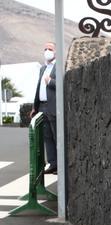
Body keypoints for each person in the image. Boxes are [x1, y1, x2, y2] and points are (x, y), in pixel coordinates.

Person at [31, 42, 57, 174]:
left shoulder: (58, 67)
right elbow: (38, 89)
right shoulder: (42, 68)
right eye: (45, 49)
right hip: (41, 106)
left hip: (52, 106)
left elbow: (62, 85)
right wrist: (35, 107)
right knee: (47, 137)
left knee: (56, 136)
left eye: (50, 49)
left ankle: (60, 164)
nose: (47, 51)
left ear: (55, 51)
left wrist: (50, 82)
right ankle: (53, 164)